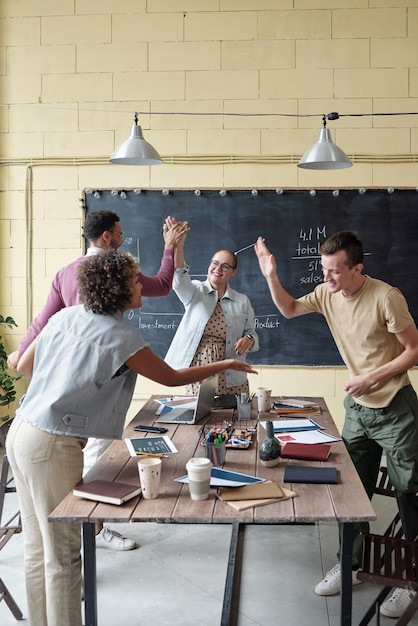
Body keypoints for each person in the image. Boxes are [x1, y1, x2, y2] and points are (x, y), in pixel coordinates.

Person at [6, 249, 257, 626]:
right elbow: (172, 378)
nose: (142, 284)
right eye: (135, 280)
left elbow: (25, 366)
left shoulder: (65, 316)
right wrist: (227, 363)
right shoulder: (122, 337)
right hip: (52, 445)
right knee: (64, 555)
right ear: (118, 289)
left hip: (21, 431)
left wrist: (62, 382)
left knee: (36, 549)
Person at [254, 231, 418, 619]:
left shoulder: (386, 296)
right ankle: (352, 565)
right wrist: (270, 274)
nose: (325, 279)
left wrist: (372, 377)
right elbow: (290, 309)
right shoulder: (327, 293)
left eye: (333, 272)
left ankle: (411, 578)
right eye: (324, 270)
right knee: (352, 490)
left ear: (357, 269)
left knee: (409, 492)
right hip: (358, 410)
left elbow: (414, 350)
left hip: (396, 407)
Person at [7, 209, 187, 551]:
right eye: (119, 232)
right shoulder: (122, 272)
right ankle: (97, 526)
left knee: (43, 537)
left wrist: (22, 350)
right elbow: (163, 286)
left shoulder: (64, 273)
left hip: (60, 396)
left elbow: (43, 320)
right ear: (107, 237)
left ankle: (93, 527)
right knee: (97, 463)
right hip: (98, 388)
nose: (121, 237)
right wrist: (169, 248)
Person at [165, 226, 259, 397]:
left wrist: (249, 339)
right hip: (199, 371)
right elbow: (179, 278)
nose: (218, 269)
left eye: (225, 266)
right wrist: (178, 246)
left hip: (233, 375)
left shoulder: (242, 301)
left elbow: (252, 333)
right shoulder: (195, 291)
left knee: (236, 419)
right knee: (199, 420)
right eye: (215, 263)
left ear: (233, 272)